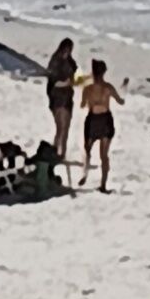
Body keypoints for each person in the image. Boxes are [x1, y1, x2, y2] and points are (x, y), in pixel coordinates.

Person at [78, 55, 118, 189]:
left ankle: (85, 174)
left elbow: (82, 105)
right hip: (105, 120)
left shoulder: (87, 89)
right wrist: (124, 87)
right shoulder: (108, 87)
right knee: (104, 155)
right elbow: (120, 101)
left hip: (93, 120)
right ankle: (103, 184)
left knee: (88, 149)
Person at [46, 34, 77, 162]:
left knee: (65, 128)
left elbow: (76, 77)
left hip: (67, 97)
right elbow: (54, 82)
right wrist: (67, 83)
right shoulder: (55, 62)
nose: (67, 52)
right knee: (61, 127)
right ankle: (57, 152)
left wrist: (74, 81)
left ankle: (60, 152)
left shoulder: (71, 62)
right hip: (57, 98)